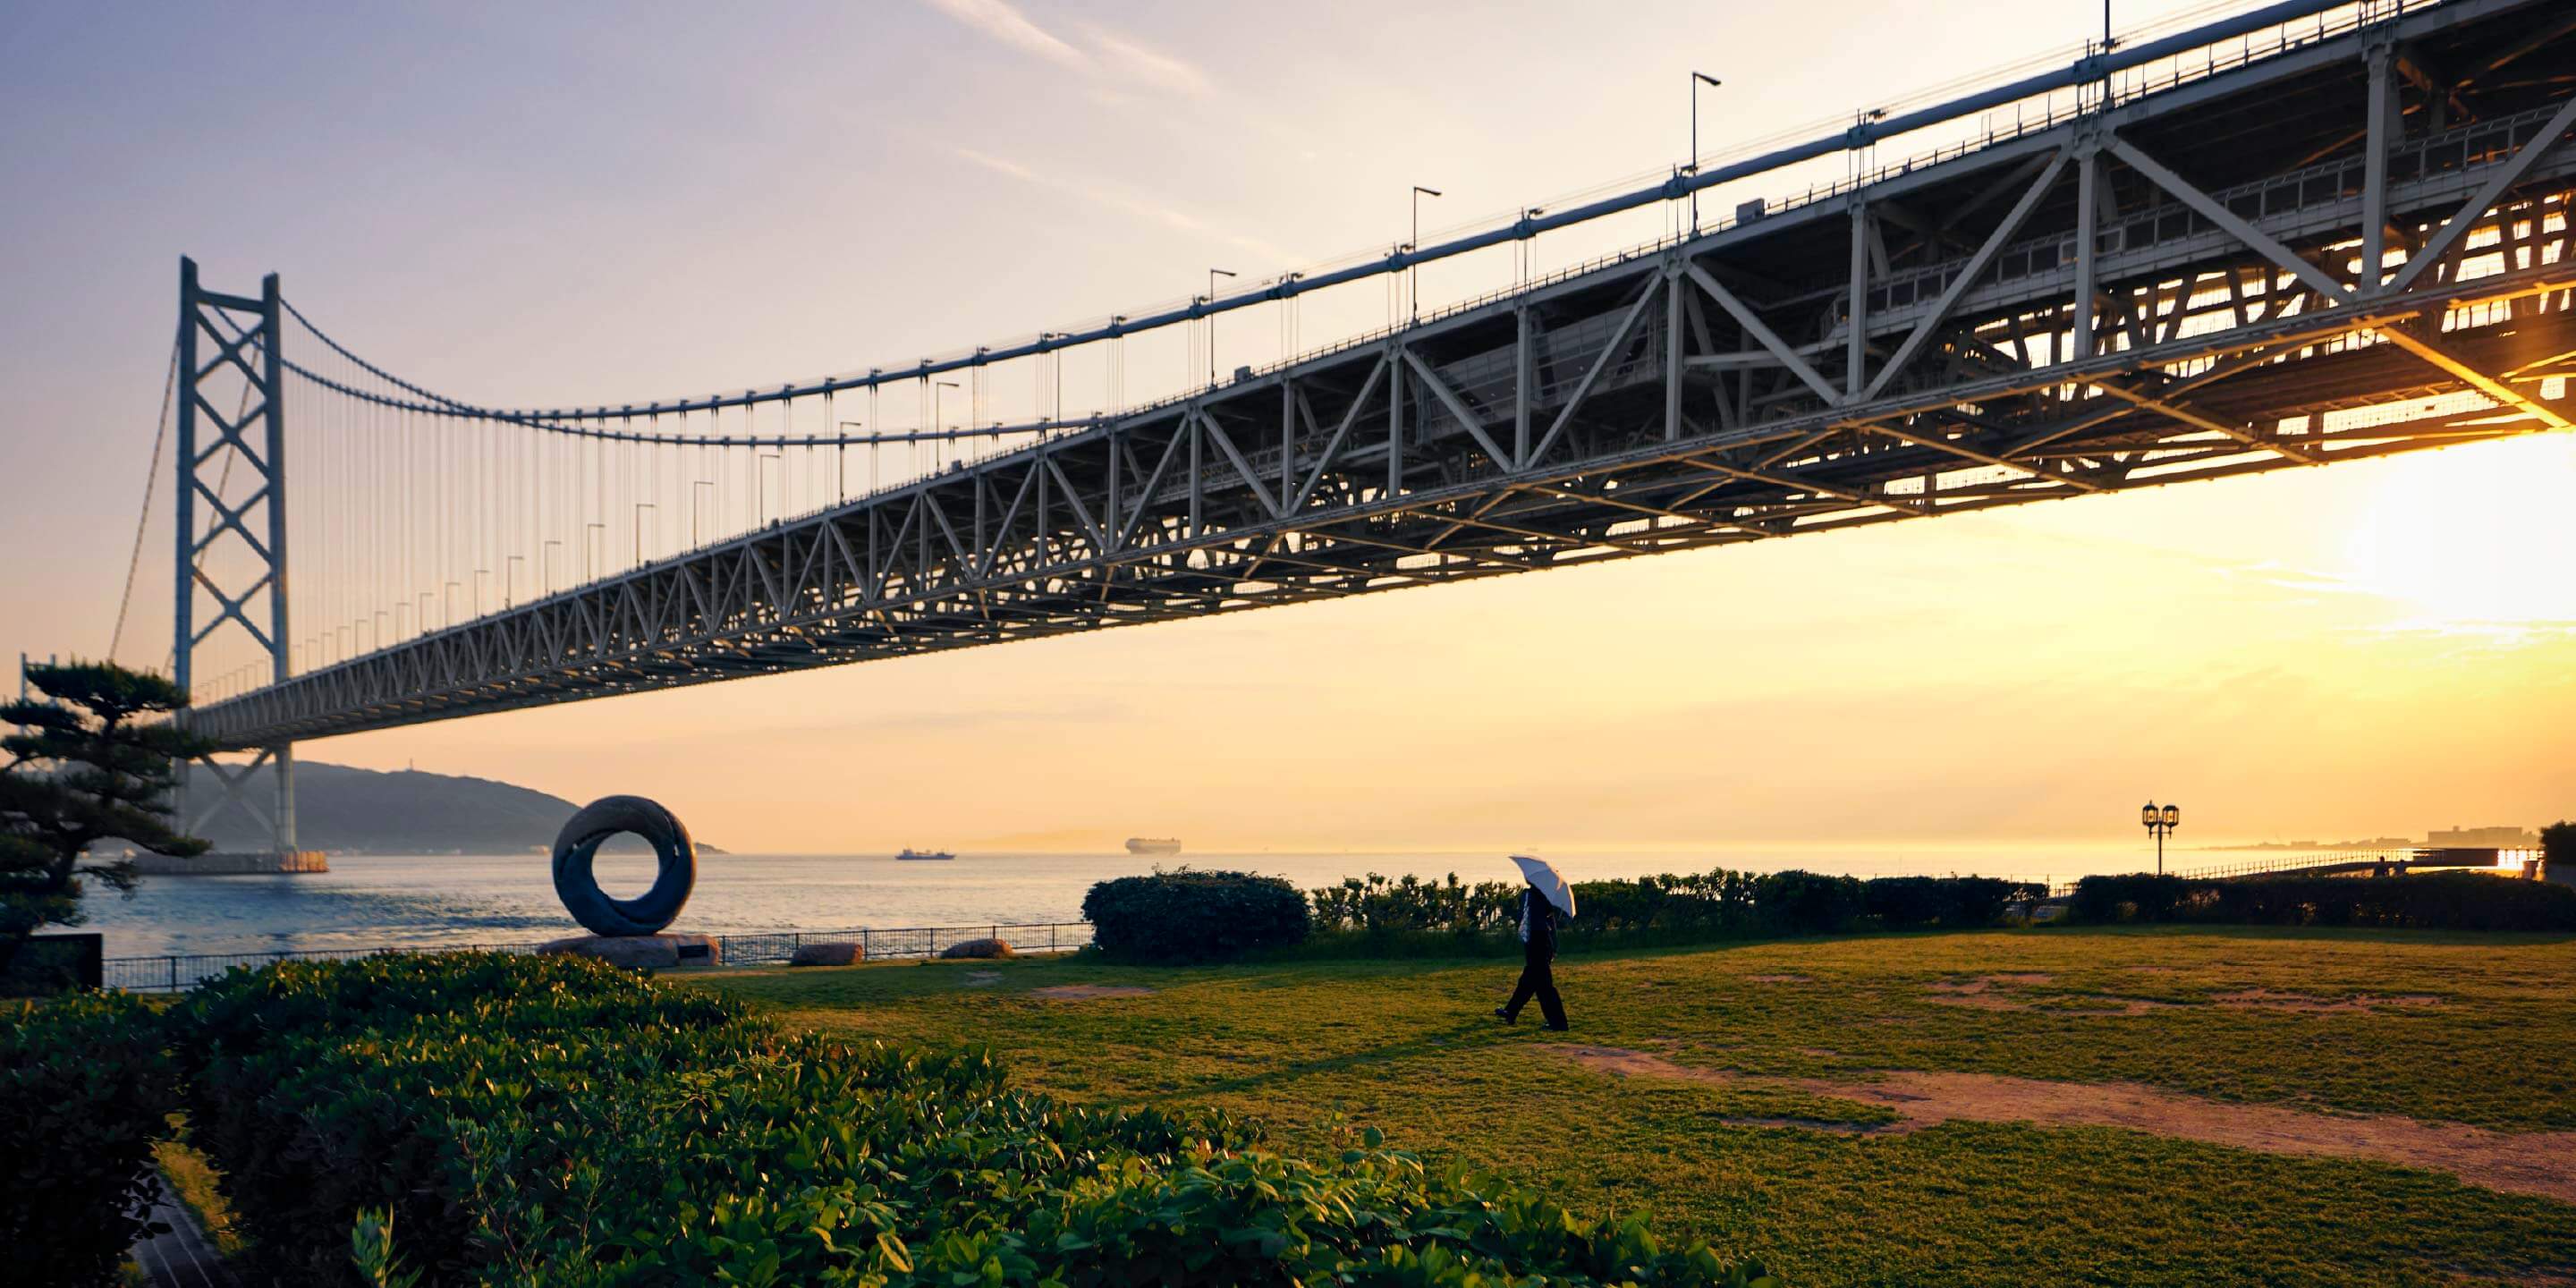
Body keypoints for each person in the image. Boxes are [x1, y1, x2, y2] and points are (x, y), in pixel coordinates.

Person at [1494, 879, 1569, 1030]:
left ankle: (1558, 1023)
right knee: (1527, 982)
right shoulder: (1528, 894)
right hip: (1532, 943)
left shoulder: (1542, 896)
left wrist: (1554, 945)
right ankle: (1511, 1011)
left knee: (1544, 986)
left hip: (1540, 944)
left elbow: (1551, 921)